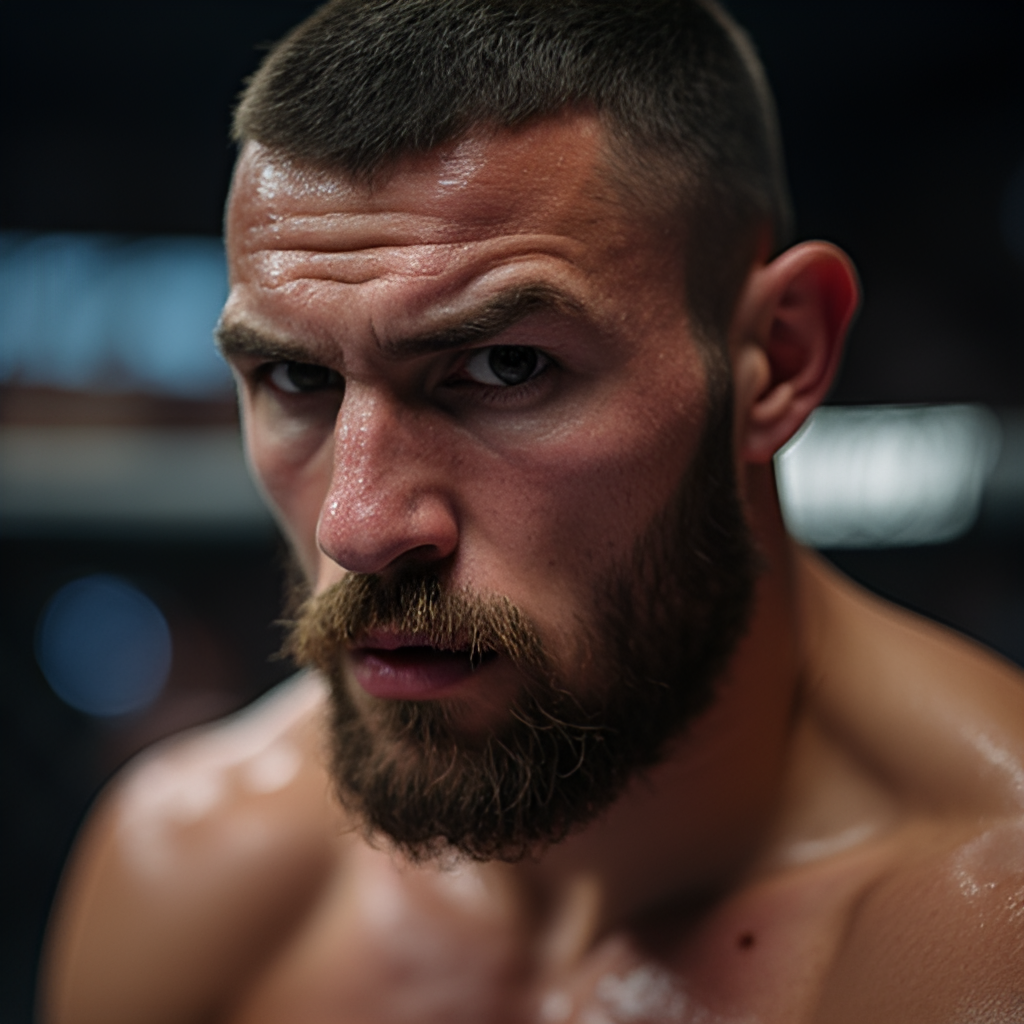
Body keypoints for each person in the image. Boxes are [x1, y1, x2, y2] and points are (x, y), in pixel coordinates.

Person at [41, 1, 1024, 1021]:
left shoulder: (988, 932)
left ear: (775, 358)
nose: (359, 525)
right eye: (293, 374)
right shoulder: (193, 871)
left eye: (505, 366)